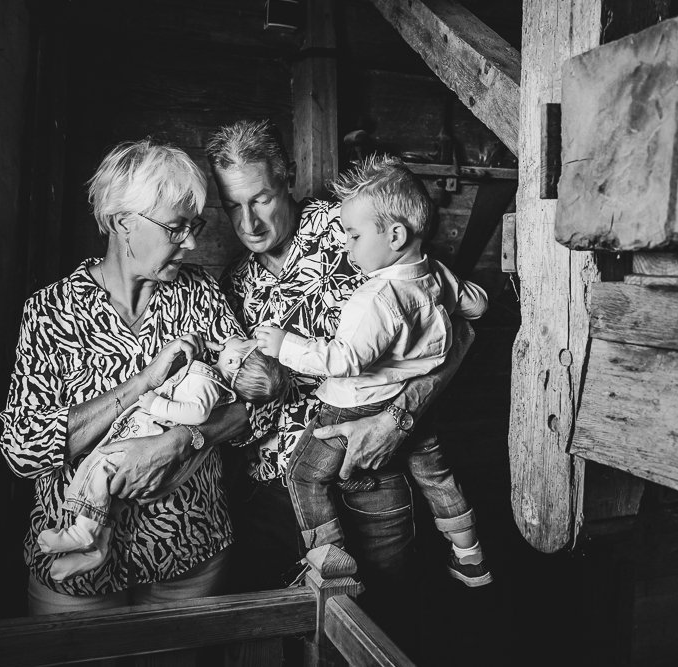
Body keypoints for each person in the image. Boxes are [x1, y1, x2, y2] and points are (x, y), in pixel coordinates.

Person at [206, 119, 475, 650]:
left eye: (259, 199)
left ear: (289, 179)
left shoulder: (357, 228)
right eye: (232, 206)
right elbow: (240, 404)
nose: (249, 222)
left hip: (374, 468)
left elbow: (458, 332)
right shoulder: (235, 284)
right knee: (274, 637)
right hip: (277, 484)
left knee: (384, 627)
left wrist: (399, 420)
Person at [0, 138, 259, 616]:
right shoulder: (52, 312)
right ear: (123, 222)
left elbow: (251, 409)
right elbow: (24, 450)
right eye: (177, 228)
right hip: (75, 571)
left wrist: (187, 439)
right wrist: (141, 383)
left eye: (195, 226)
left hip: (189, 553)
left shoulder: (199, 293)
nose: (193, 243)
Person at [254, 155, 492, 588]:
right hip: (404, 407)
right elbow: (474, 305)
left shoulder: (375, 296)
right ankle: (470, 555)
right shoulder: (435, 275)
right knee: (437, 477)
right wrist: (465, 301)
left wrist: (283, 344)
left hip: (350, 410)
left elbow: (344, 360)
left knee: (304, 475)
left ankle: (329, 558)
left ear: (395, 234)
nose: (347, 244)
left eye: (354, 235)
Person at [37, 337, 290, 582]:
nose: (234, 336)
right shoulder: (211, 376)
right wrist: (147, 379)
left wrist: (158, 406)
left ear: (234, 362)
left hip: (181, 536)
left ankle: (82, 532)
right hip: (153, 454)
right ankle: (97, 547)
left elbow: (201, 412)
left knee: (99, 467)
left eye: (241, 341)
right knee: (110, 497)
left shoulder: (207, 379)